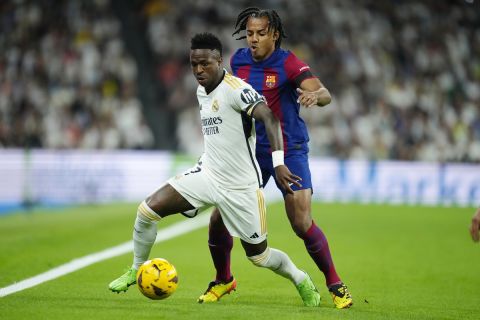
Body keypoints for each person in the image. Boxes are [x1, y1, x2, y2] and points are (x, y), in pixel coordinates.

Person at [108, 32, 321, 307]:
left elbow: (268, 117)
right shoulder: (201, 89)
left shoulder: (236, 90)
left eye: (205, 63)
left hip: (241, 186)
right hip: (208, 174)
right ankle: (136, 268)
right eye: (194, 64)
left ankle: (300, 277)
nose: (199, 70)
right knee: (147, 210)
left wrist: (279, 163)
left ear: (220, 61)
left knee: (260, 257)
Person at [198, 8, 353, 309]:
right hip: (252, 152)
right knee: (219, 217)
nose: (253, 39)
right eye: (250, 33)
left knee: (300, 221)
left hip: (290, 149)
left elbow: (324, 93)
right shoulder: (238, 61)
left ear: (274, 35)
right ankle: (223, 279)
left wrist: (314, 96)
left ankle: (334, 283)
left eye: (260, 33)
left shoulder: (288, 63)